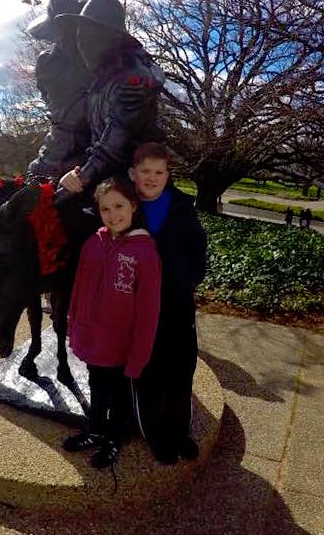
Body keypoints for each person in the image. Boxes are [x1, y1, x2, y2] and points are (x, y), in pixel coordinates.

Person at [63, 176, 162, 469]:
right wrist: (73, 328)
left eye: (119, 206)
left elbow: (149, 312)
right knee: (97, 388)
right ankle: (94, 431)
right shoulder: (92, 243)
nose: (113, 214)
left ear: (133, 206)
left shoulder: (145, 253)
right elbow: (78, 291)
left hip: (122, 349)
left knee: (118, 399)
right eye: (105, 209)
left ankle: (113, 440)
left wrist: (138, 357)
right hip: (94, 342)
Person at [129, 143, 207, 464]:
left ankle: (179, 431)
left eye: (158, 172)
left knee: (180, 370)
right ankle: (156, 436)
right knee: (147, 373)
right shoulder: (125, 207)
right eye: (145, 171)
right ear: (133, 173)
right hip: (140, 311)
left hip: (177, 306)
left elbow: (198, 246)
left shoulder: (182, 207)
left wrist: (190, 280)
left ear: (167, 175)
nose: (151, 178)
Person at [54, 0, 165, 198]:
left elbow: (110, 151)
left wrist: (67, 190)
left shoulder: (129, 81)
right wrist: (70, 174)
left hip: (134, 193)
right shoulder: (99, 81)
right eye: (80, 40)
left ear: (112, 40)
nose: (84, 47)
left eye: (91, 39)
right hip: (107, 183)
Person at [24, 0, 93, 183]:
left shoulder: (101, 59)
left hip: (98, 143)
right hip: (61, 143)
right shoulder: (48, 62)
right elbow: (53, 104)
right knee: (35, 179)